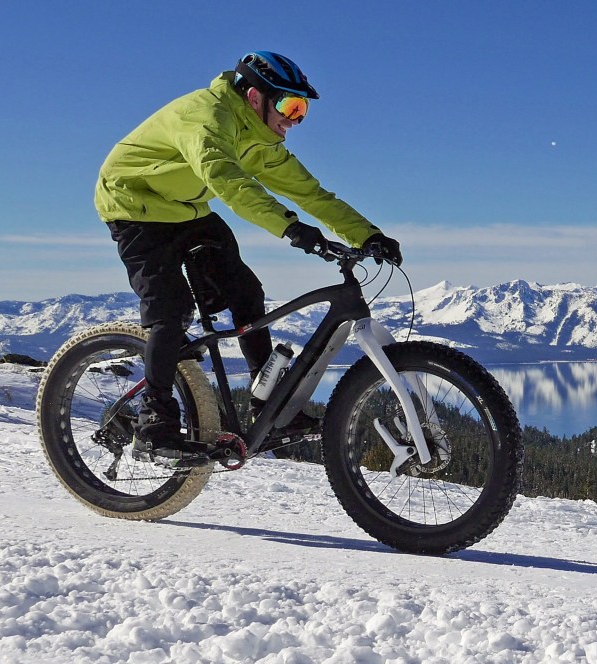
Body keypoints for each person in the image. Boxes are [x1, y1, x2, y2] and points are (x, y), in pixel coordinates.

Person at [94, 51, 402, 465]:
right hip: (133, 206)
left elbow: (311, 194)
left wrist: (369, 235)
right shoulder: (206, 116)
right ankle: (154, 424)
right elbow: (228, 182)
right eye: (290, 106)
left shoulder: (259, 140)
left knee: (246, 292)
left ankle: (267, 403)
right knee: (170, 311)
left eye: (302, 110)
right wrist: (291, 228)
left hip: (187, 211)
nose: (295, 119)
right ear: (255, 97)